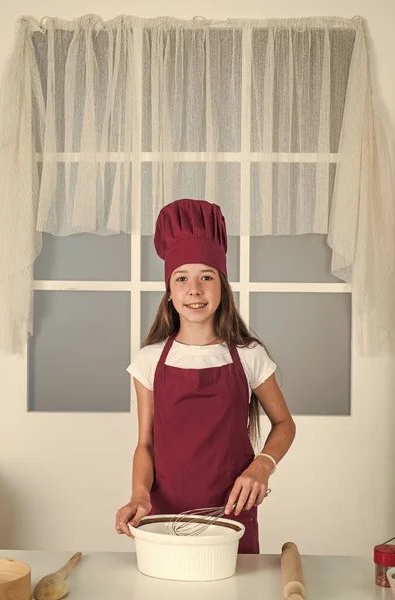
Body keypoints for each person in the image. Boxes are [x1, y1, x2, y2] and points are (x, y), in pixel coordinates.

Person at [116, 198, 296, 553]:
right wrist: (139, 494)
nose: (194, 289)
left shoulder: (249, 355)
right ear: (169, 292)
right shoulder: (149, 360)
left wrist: (263, 465)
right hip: (164, 517)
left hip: (231, 513)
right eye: (181, 278)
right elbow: (146, 444)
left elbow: (285, 424)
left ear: (222, 287)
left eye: (206, 277)